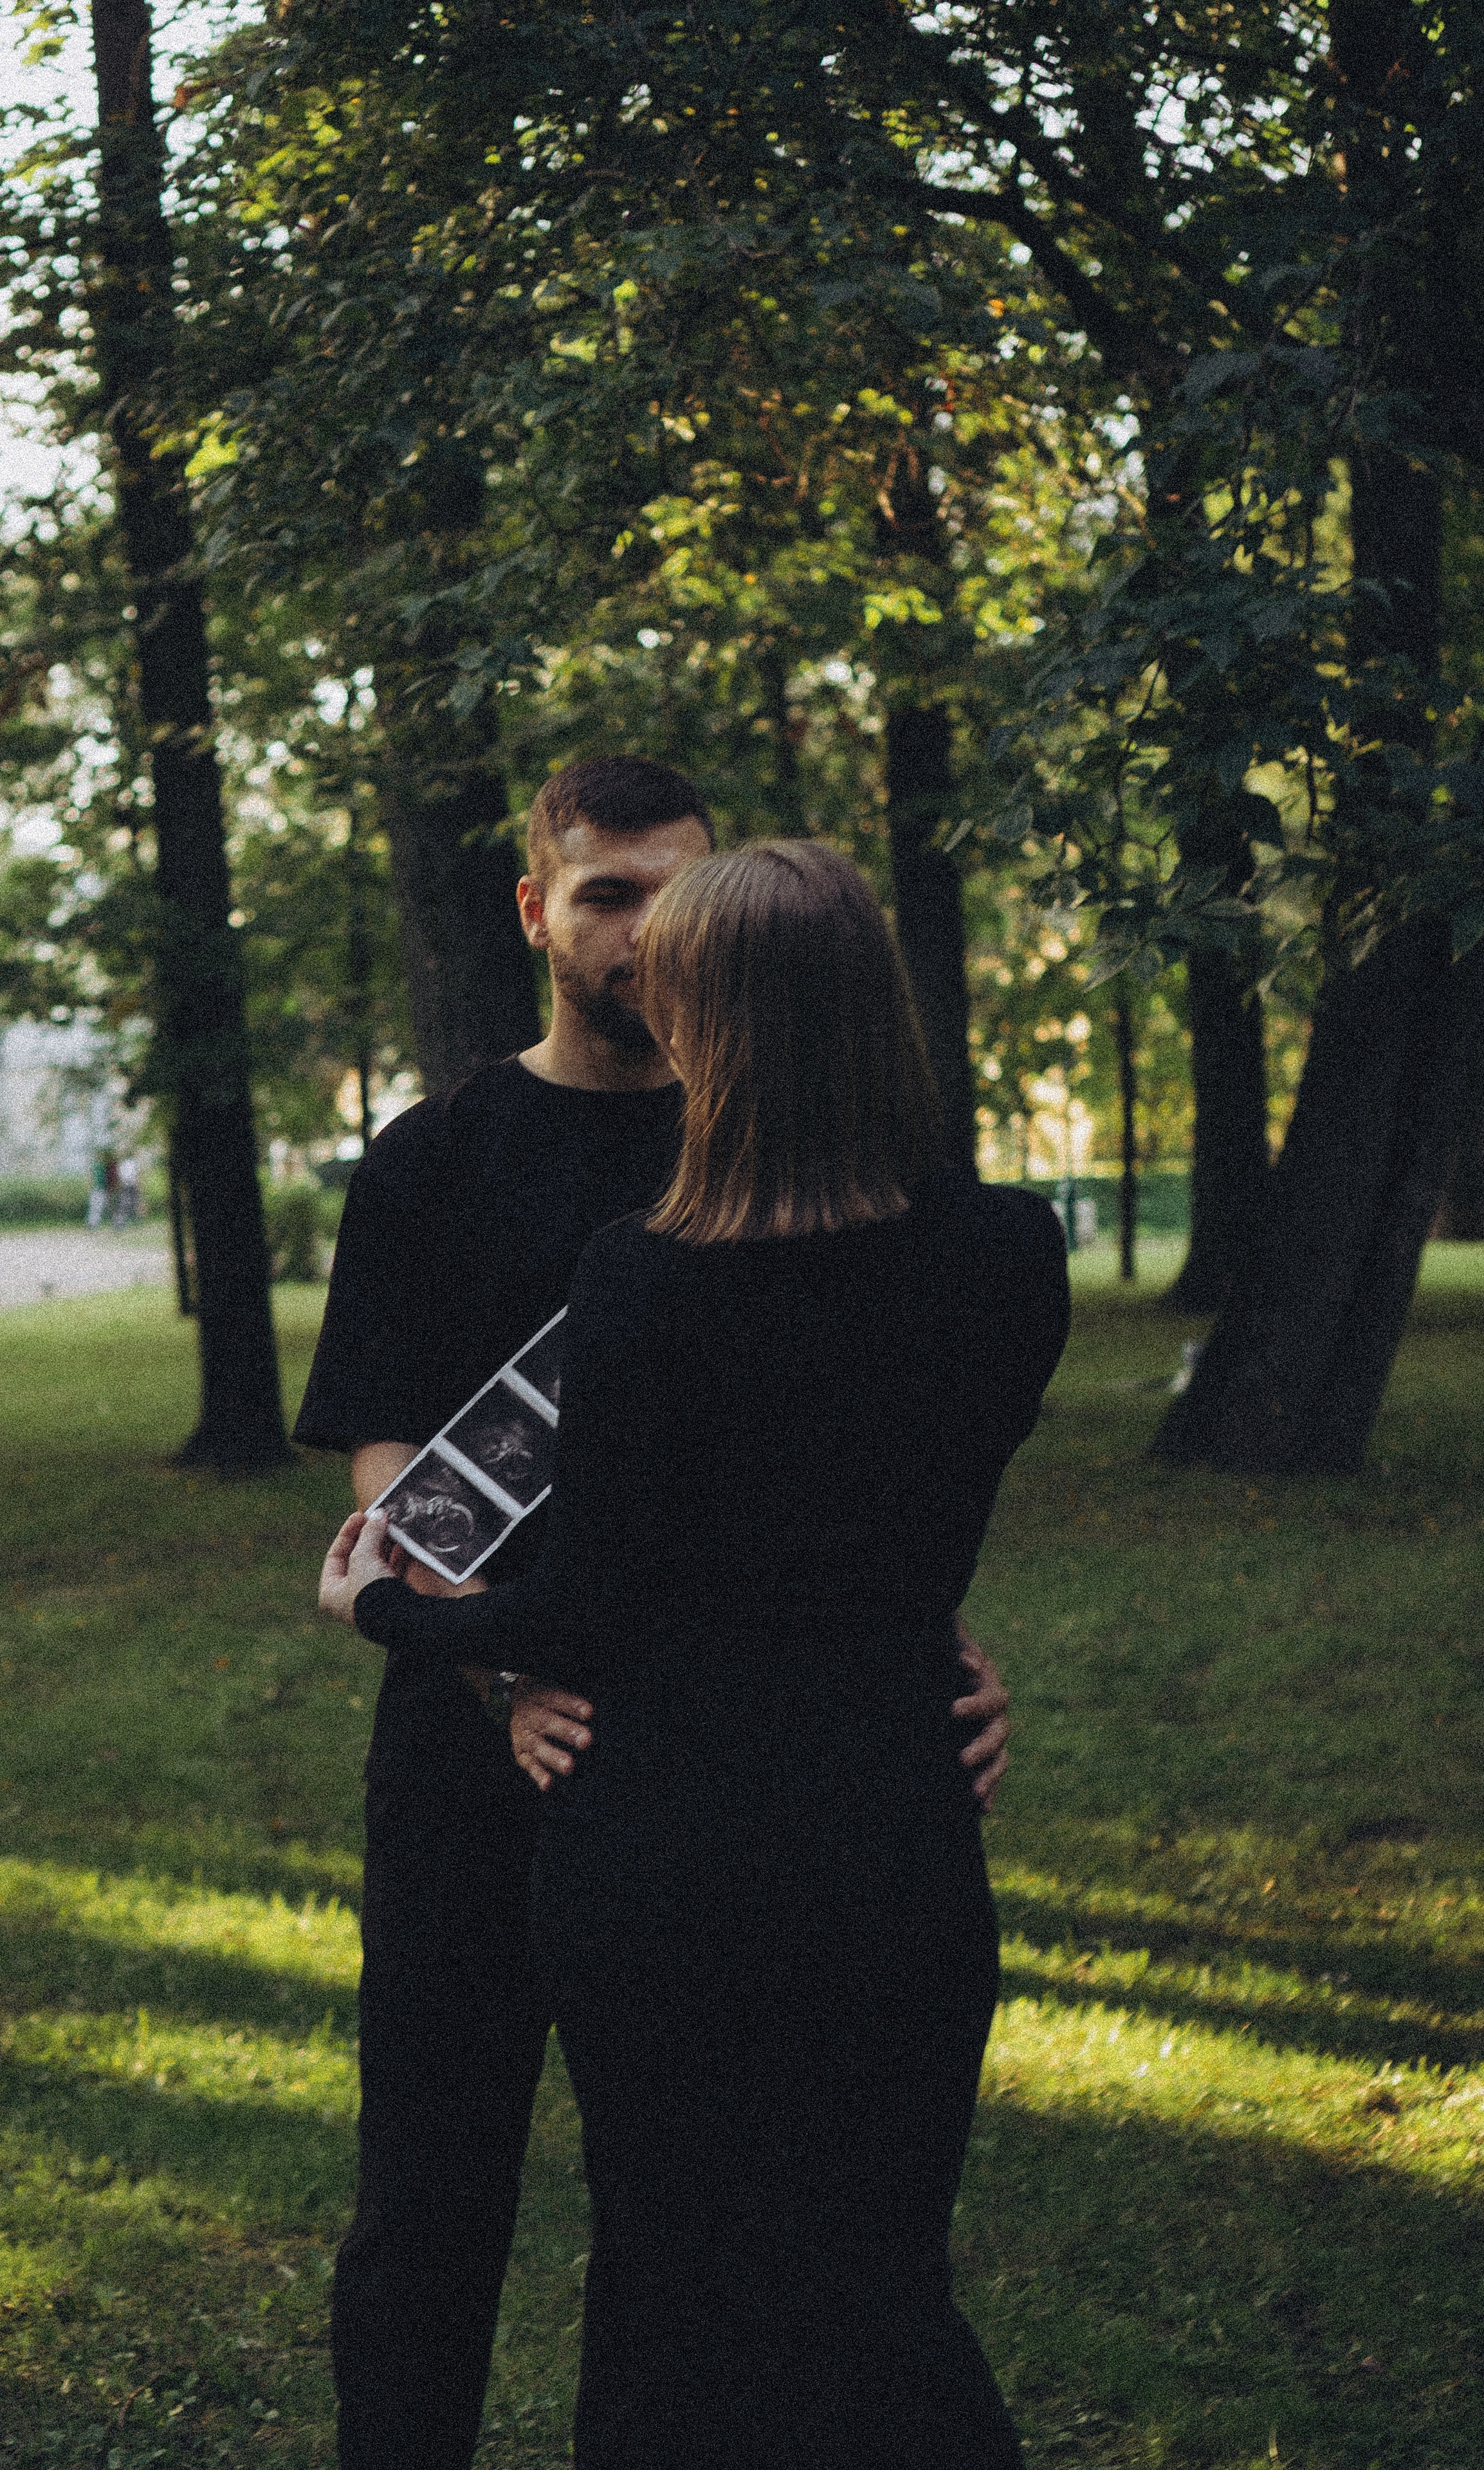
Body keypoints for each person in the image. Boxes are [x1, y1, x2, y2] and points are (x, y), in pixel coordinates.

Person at [296, 763, 1016, 2470]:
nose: (644, 936)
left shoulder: (781, 1141)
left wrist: (930, 1648)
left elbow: (853, 1466)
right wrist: (504, 1677)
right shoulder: (436, 1159)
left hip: (692, 1776)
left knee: (686, 2222)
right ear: (538, 909)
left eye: (676, 899)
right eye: (608, 895)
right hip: (485, 1755)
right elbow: (397, 1487)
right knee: (431, 2194)